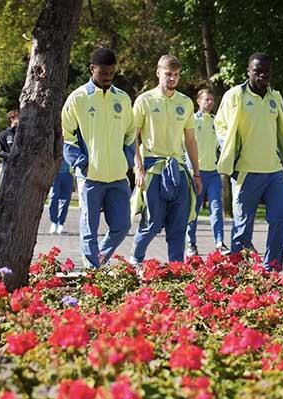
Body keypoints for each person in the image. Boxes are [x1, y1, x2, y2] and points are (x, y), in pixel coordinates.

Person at [215, 52, 283, 270]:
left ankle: (271, 270)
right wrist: (230, 151)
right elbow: (220, 125)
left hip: (274, 171)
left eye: (266, 71)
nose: (263, 75)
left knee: (280, 220)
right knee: (242, 227)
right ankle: (238, 272)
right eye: (258, 71)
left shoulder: (275, 97)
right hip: (246, 171)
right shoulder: (234, 96)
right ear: (248, 71)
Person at [62, 47, 136, 269]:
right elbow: (66, 135)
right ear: (92, 69)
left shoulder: (122, 99)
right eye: (104, 72)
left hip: (117, 176)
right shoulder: (77, 99)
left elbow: (131, 134)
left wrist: (126, 159)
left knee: (122, 226)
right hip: (90, 177)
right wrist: (80, 163)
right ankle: (93, 270)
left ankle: (99, 258)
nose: (108, 77)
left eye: (112, 73)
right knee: (89, 230)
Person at [129, 55, 202, 264]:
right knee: (152, 221)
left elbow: (190, 140)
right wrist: (138, 168)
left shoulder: (185, 102)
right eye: (168, 74)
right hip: (153, 166)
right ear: (158, 72)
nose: (172, 78)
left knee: (179, 224)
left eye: (176, 75)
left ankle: (176, 266)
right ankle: (135, 260)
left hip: (178, 168)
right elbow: (133, 137)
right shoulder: (145, 100)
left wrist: (196, 173)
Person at [186, 89, 229, 256]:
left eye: (212, 100)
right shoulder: (191, 120)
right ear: (198, 101)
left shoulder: (216, 121)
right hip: (195, 173)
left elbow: (223, 144)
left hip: (213, 174)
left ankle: (219, 243)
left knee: (217, 209)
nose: (209, 102)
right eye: (206, 100)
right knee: (193, 210)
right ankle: (191, 244)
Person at [48, 159, 74, 234]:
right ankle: (54, 222)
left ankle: (61, 223)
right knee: (53, 198)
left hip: (67, 174)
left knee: (66, 200)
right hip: (55, 174)